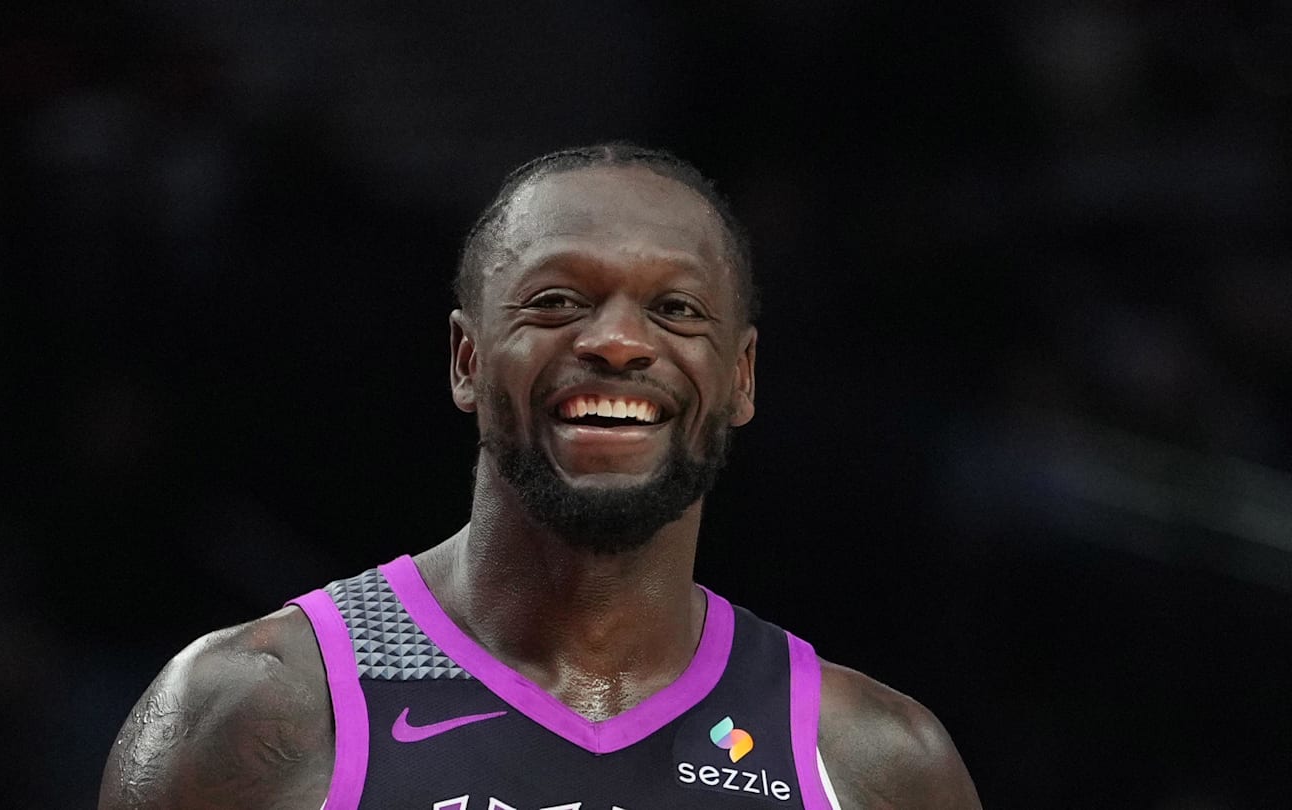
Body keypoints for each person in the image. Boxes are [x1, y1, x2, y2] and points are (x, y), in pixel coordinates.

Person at [97, 143, 982, 809]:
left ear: (741, 378)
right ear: (467, 358)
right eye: (556, 301)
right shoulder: (249, 713)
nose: (617, 342)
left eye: (675, 309)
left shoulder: (876, 765)